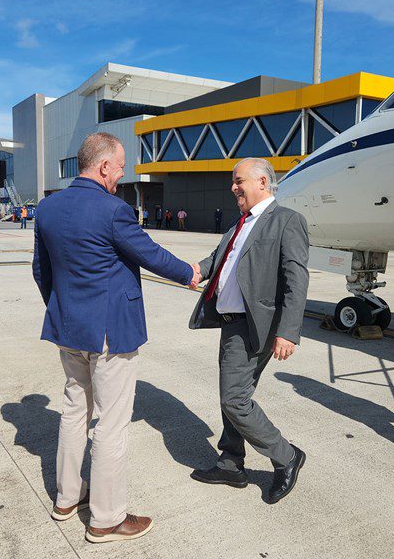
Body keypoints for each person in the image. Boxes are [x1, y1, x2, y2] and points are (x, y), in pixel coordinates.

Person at [33, 132, 200, 543]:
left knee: (74, 411)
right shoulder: (113, 210)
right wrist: (189, 274)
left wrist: (63, 309)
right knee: (110, 423)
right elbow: (150, 253)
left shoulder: (48, 207)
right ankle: (106, 519)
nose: (122, 175)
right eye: (121, 167)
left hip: (68, 329)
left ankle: (67, 499)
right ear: (104, 166)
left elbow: (42, 271)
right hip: (110, 334)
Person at [188, 157, 309, 504]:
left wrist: (288, 331)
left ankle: (286, 456)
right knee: (235, 393)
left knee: (234, 399)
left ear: (262, 182)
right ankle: (230, 462)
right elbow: (220, 257)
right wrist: (198, 268)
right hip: (231, 324)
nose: (233, 188)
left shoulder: (286, 221)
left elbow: (296, 280)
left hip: (255, 326)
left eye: (239, 181)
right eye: (233, 181)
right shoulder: (241, 222)